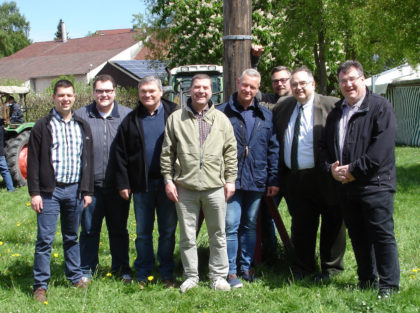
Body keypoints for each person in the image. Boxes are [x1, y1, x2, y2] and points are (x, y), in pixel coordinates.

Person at [318, 60, 400, 296]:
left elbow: (381, 149)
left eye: (352, 78)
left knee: (382, 235)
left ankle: (389, 285)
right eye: (343, 80)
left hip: (375, 184)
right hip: (345, 186)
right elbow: (324, 146)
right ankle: (366, 279)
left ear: (363, 79)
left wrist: (355, 169)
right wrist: (330, 169)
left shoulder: (380, 107)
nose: (348, 84)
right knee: (358, 235)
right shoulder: (336, 112)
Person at [160, 74, 237, 293]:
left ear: (211, 91)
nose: (201, 91)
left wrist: (230, 180)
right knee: (187, 234)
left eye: (205, 87)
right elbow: (167, 153)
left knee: (218, 234)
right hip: (185, 186)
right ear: (189, 91)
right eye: (196, 87)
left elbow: (231, 152)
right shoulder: (176, 118)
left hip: (215, 186)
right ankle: (191, 276)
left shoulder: (221, 119)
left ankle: (218, 276)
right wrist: (168, 180)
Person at [273, 66, 346, 280]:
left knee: (332, 222)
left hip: (325, 176)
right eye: (294, 84)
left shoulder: (332, 105)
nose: (298, 88)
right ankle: (303, 267)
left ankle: (331, 269)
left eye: (303, 83)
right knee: (302, 225)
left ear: (313, 84)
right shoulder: (283, 107)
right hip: (295, 178)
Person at [27, 79, 94, 302]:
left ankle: (75, 277)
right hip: (50, 192)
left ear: (74, 97)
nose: (65, 99)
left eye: (69, 95)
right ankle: (40, 285)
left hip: (74, 191)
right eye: (61, 95)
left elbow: (87, 160)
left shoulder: (82, 125)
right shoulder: (42, 126)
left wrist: (87, 190)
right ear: (54, 98)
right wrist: (35, 193)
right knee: (45, 240)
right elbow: (33, 161)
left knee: (72, 237)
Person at [114, 76, 178, 288]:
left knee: (168, 231)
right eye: (143, 92)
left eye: (152, 91)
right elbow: (120, 154)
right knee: (143, 232)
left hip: (170, 184)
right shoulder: (131, 120)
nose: (148, 95)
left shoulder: (174, 114)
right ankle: (143, 271)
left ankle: (167, 271)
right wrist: (124, 183)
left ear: (161, 92)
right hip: (142, 186)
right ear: (139, 94)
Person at [217, 69, 279, 288]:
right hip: (230, 180)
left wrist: (273, 179)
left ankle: (246, 267)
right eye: (245, 85)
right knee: (231, 225)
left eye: (253, 87)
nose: (248, 90)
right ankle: (230, 271)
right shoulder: (221, 112)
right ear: (238, 82)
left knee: (249, 225)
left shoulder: (265, 115)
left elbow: (273, 148)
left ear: (257, 89)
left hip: (257, 178)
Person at [75, 74, 132, 283]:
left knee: (118, 230)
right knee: (89, 229)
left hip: (118, 186)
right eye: (100, 91)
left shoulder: (127, 115)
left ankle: (122, 268)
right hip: (90, 186)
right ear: (94, 93)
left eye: (108, 90)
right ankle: (87, 269)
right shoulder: (81, 115)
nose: (104, 95)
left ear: (115, 92)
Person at [0, 119, 15, 191]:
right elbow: (6, 135)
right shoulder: (2, 129)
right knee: (5, 171)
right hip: (1, 153)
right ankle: (11, 188)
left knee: (5, 171)